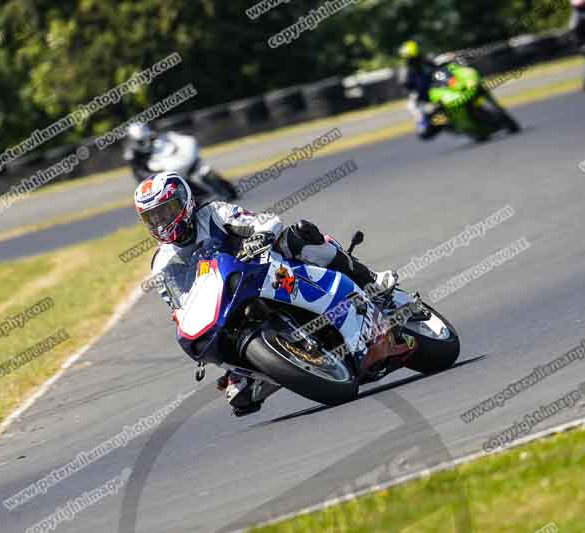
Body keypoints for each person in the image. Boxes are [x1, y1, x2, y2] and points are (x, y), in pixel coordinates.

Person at [135, 171, 397, 416]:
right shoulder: (162, 264)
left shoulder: (214, 213)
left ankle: (370, 280)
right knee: (239, 397)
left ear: (185, 202)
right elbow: (179, 304)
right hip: (224, 302)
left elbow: (266, 221)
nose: (162, 222)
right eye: (153, 217)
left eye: (166, 211)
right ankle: (253, 367)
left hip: (260, 267)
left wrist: (259, 237)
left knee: (299, 234)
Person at [399, 40, 440, 139]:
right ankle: (423, 124)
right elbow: (405, 84)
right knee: (411, 105)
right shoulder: (406, 71)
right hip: (423, 96)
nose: (413, 61)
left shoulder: (427, 61)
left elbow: (439, 67)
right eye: (410, 59)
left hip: (437, 89)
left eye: (414, 57)